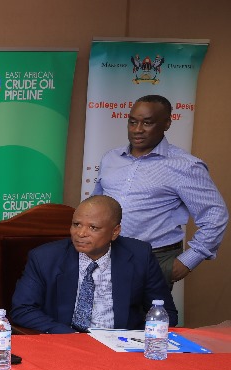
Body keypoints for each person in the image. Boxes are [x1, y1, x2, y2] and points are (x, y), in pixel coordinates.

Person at [93, 94, 227, 286]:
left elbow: (215, 214)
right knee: (102, 307)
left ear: (167, 124)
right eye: (133, 122)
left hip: (154, 257)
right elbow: (96, 204)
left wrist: (189, 260)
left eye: (147, 123)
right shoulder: (110, 158)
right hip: (106, 254)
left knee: (146, 308)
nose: (137, 130)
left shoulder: (185, 165)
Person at [11, 195, 177, 334]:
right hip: (67, 342)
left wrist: (135, 340)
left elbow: (165, 313)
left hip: (121, 345)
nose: (81, 233)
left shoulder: (140, 255)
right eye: (76, 224)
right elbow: (23, 309)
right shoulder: (44, 257)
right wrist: (70, 336)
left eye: (93, 228)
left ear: (115, 232)